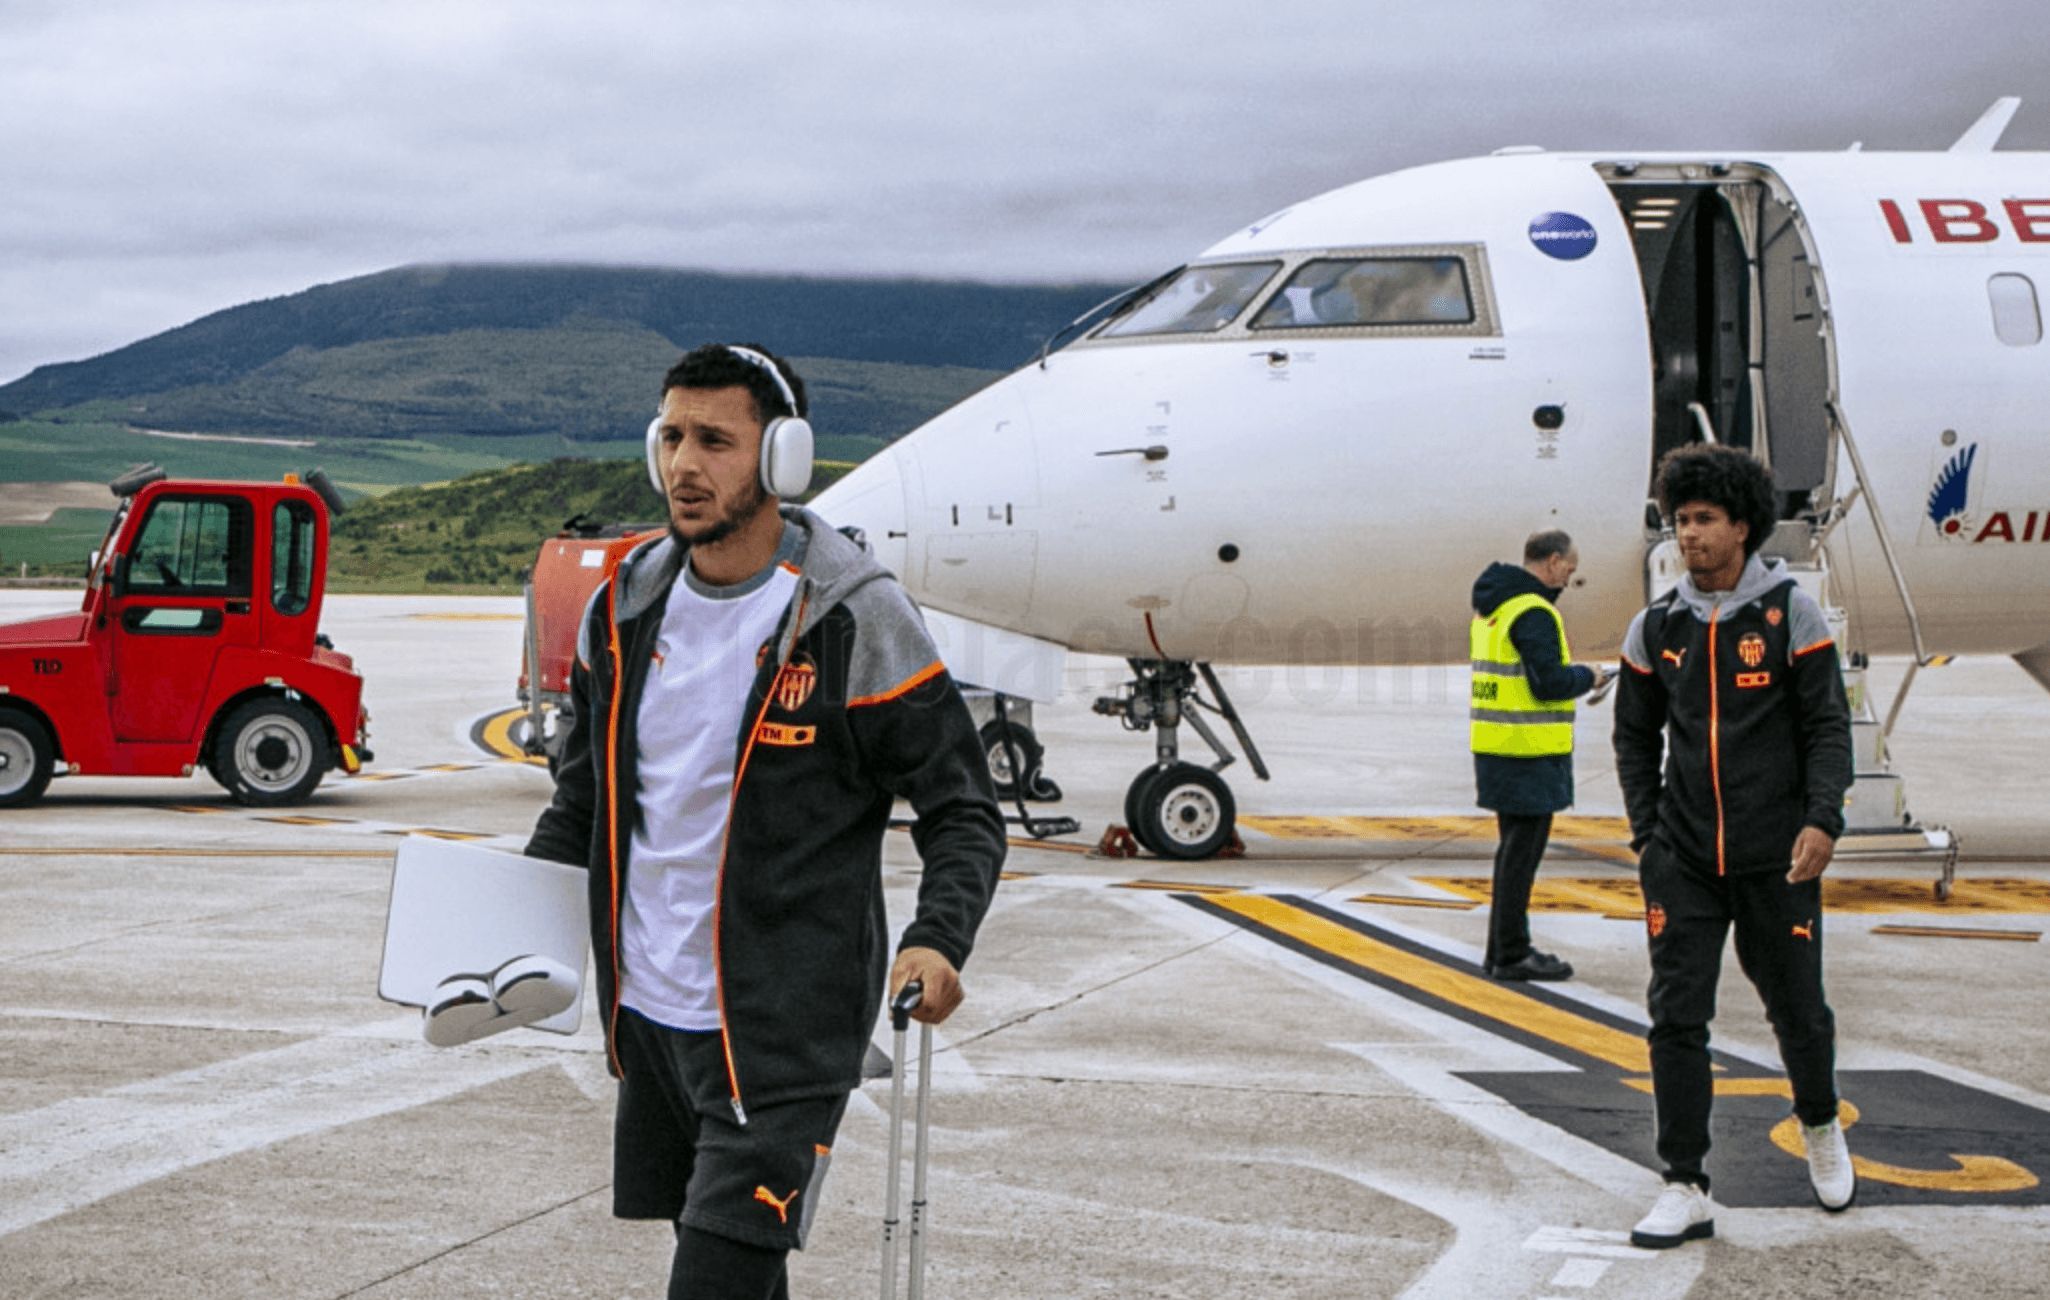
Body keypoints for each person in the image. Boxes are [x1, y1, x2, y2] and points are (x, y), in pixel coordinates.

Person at [524, 343, 1006, 1299]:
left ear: (781, 457)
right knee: (735, 1273)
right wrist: (493, 927)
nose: (684, 467)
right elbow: (581, 800)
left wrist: (938, 938)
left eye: (715, 441)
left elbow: (962, 806)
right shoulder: (623, 608)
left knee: (714, 1281)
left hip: (784, 1032)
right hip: (653, 1020)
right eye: (670, 437)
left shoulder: (847, 616)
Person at [1612, 444, 1854, 1249]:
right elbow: (1633, 740)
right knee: (1675, 1018)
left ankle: (1819, 1123)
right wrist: (1650, 838)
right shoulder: (1657, 626)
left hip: (1775, 855)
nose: (1689, 536)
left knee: (1797, 1010)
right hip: (1683, 859)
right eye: (1680, 521)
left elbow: (1827, 727)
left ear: (1742, 526)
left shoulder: (1790, 613)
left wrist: (1822, 820)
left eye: (1705, 520)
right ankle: (1684, 1183)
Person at [1469, 529, 1611, 981]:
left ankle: (1501, 949)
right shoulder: (1533, 612)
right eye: (1568, 570)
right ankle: (1512, 952)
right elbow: (1547, 682)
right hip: (1528, 751)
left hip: (1498, 747)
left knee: (1512, 854)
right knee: (1520, 857)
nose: (1568, 580)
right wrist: (1587, 677)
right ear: (1552, 562)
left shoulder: (1494, 608)